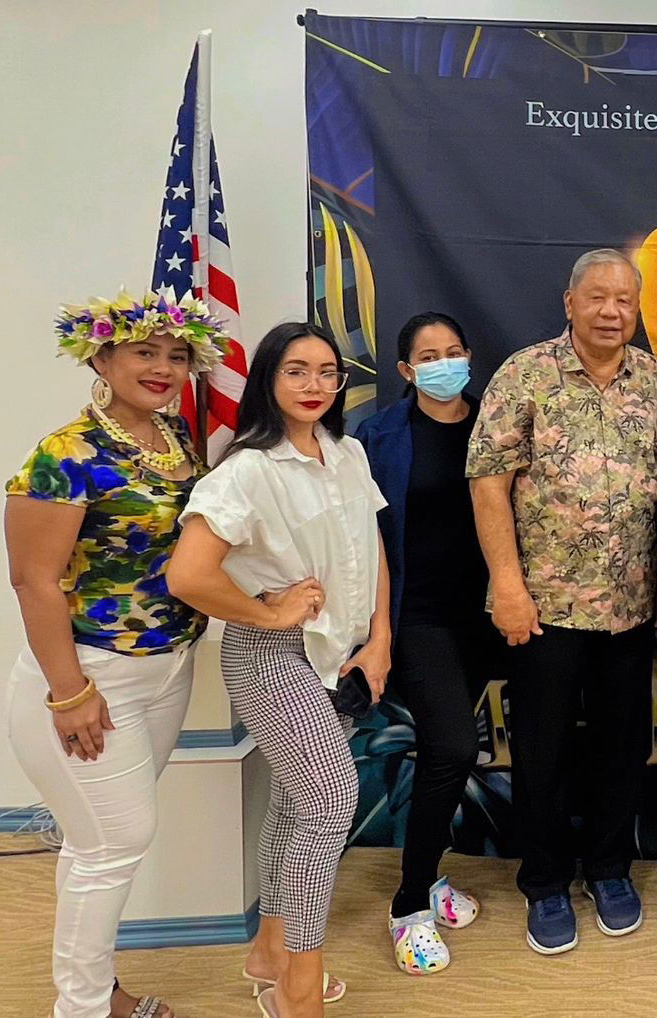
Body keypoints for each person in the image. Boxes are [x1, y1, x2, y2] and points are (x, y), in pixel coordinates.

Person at [5, 289, 231, 1018]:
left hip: (165, 671)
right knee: (115, 842)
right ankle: (81, 1009)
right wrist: (69, 693)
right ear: (102, 356)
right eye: (145, 351)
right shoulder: (65, 455)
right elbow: (32, 579)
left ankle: (97, 991)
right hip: (89, 673)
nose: (163, 368)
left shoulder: (174, 442)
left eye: (176, 355)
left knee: (99, 845)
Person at [467, 249, 657, 956]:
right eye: (597, 298)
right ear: (570, 302)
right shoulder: (525, 374)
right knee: (542, 751)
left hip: (628, 609)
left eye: (624, 300)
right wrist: (506, 583)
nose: (612, 312)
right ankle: (545, 881)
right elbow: (488, 482)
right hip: (543, 606)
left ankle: (610, 870)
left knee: (622, 749)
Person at [168, 322, 391, 1018]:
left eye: (328, 372)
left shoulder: (346, 451)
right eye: (297, 371)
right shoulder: (247, 470)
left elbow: (372, 547)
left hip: (339, 656)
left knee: (299, 804)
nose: (315, 386)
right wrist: (267, 614)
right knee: (329, 803)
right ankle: (297, 984)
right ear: (268, 377)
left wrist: (380, 640)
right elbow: (188, 575)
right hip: (272, 659)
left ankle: (268, 951)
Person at [354, 312, 487, 974]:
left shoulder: (498, 422)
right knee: (452, 748)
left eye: (454, 351)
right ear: (406, 370)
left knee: (458, 751)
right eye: (428, 355)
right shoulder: (377, 437)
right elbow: (364, 540)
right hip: (417, 617)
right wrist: (376, 631)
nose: (443, 363)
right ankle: (409, 905)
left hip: (489, 615)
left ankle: (431, 874)